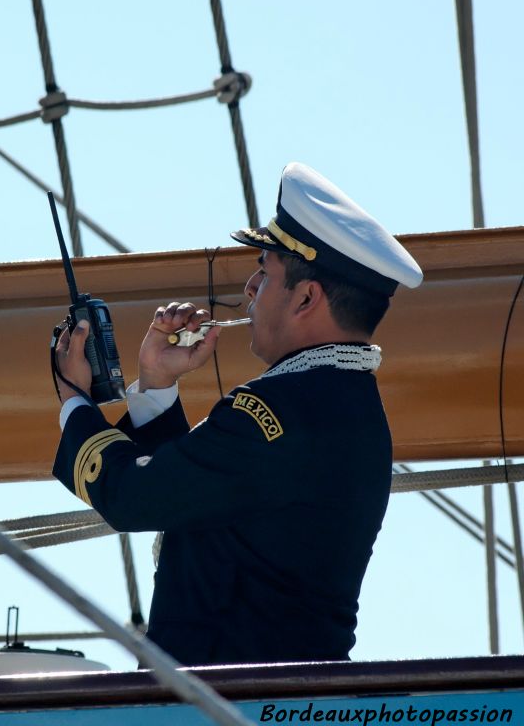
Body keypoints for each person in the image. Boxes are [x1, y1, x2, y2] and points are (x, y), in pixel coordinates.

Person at [51, 162, 423, 666]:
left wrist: (74, 397)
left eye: (264, 273)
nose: (249, 288)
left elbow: (135, 497)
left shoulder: (274, 410)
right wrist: (156, 384)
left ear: (307, 297)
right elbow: (194, 495)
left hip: (224, 706)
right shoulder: (343, 404)